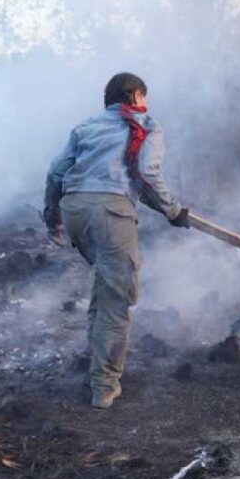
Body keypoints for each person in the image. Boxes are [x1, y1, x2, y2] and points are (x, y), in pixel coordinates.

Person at [44, 72, 190, 409]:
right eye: (143, 97)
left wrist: (52, 214)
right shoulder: (145, 125)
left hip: (75, 210)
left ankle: (98, 369)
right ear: (135, 95)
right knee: (118, 297)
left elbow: (56, 172)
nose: (146, 103)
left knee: (105, 289)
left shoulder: (85, 127)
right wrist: (172, 209)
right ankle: (104, 388)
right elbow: (147, 173)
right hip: (109, 213)